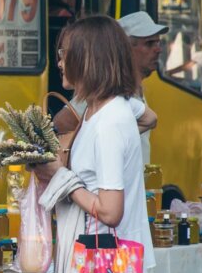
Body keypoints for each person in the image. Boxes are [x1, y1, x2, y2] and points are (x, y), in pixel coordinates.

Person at [34, 15, 155, 273]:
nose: (59, 62)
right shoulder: (96, 113)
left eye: (65, 53)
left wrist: (64, 180)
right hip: (92, 263)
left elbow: (110, 209)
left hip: (103, 269)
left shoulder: (110, 120)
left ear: (89, 59)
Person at [54, 11, 167, 164]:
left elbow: (150, 120)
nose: (158, 49)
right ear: (125, 49)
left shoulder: (130, 90)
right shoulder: (105, 94)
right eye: (149, 43)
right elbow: (62, 123)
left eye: (158, 43)